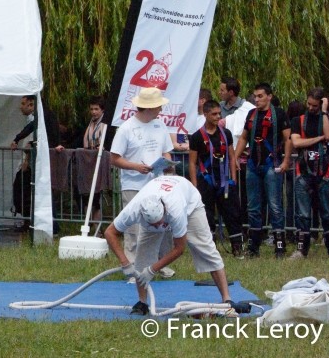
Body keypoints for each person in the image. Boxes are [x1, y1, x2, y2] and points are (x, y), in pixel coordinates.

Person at [104, 175, 250, 316]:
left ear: (164, 210)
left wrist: (153, 269)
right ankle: (142, 303)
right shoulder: (134, 209)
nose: (159, 226)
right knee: (142, 258)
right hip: (158, 194)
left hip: (190, 203)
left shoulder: (176, 210)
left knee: (206, 248)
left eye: (160, 222)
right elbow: (110, 233)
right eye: (154, 224)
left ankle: (227, 299)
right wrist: (125, 263)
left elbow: (179, 248)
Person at [109, 87, 174, 275]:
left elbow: (166, 150)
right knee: (134, 226)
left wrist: (167, 164)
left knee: (162, 224)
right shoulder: (126, 128)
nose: (161, 109)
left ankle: (160, 264)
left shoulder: (160, 125)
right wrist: (136, 167)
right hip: (133, 184)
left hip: (157, 183)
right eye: (158, 106)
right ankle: (132, 265)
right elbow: (114, 158)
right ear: (149, 108)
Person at [235, 83, 292, 258]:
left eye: (260, 96)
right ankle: (254, 246)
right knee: (253, 207)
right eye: (255, 96)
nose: (256, 99)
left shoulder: (279, 114)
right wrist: (235, 157)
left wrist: (286, 161)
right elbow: (244, 137)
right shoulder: (251, 115)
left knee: (275, 206)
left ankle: (279, 245)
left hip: (271, 163)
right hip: (252, 164)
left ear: (269, 96)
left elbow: (288, 139)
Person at [188, 100, 244, 258]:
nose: (218, 116)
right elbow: (192, 163)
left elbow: (232, 157)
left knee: (232, 213)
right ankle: (209, 249)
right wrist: (194, 185)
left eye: (219, 113)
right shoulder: (197, 136)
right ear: (205, 114)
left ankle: (237, 248)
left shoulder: (225, 133)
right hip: (206, 181)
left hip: (225, 181)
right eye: (214, 114)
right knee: (207, 214)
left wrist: (233, 179)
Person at [289, 88, 329, 259]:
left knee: (328, 213)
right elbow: (296, 142)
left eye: (315, 106)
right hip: (303, 172)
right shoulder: (298, 120)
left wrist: (324, 112)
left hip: (325, 173)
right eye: (308, 104)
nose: (310, 108)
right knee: (302, 213)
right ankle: (301, 249)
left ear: (321, 104)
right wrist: (318, 139)